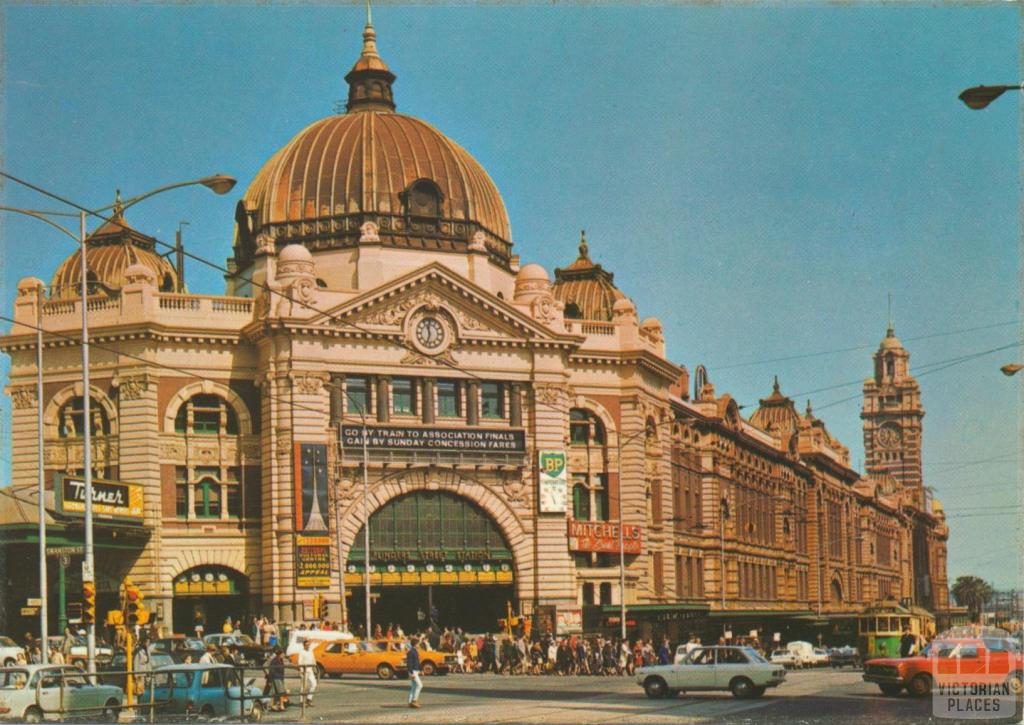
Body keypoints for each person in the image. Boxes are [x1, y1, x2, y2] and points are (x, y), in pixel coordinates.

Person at [297, 639, 317, 706]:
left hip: (310, 670)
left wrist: (315, 668)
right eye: (306, 645)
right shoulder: (302, 652)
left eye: (309, 645)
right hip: (304, 670)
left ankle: (309, 699)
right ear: (304, 645)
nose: (308, 646)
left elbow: (313, 660)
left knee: (314, 684)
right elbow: (299, 662)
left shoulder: (311, 651)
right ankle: (301, 701)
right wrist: (302, 671)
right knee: (303, 686)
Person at [266, 647, 286, 712]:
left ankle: (274, 705)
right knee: (281, 691)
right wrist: (270, 680)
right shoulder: (275, 660)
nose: (284, 655)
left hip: (279, 677)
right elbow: (271, 670)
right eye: (283, 654)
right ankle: (281, 705)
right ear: (279, 654)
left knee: (276, 692)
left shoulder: (280, 660)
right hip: (276, 677)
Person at [407, 636, 423, 708]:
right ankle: (414, 700)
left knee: (413, 687)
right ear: (415, 644)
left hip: (415, 671)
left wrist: (420, 670)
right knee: (420, 685)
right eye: (418, 644)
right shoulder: (411, 652)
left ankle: (410, 702)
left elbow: (417, 662)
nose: (419, 645)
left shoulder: (415, 651)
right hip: (413, 671)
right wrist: (411, 673)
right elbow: (409, 663)